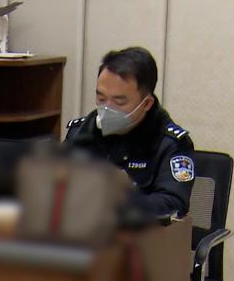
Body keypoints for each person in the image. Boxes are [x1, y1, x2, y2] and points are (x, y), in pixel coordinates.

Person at [65, 46, 195, 217]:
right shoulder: (80, 133)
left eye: (119, 102)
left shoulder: (170, 143)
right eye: (101, 98)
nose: (107, 108)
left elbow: (174, 203)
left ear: (146, 103)